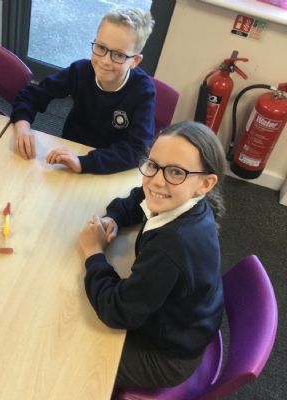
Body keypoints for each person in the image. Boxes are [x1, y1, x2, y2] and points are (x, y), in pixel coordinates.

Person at [79, 120, 226, 390]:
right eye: (153, 165)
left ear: (205, 183)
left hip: (166, 358)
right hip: (188, 324)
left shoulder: (172, 245)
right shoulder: (187, 201)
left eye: (176, 172)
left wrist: (93, 252)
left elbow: (118, 311)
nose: (157, 180)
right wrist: (115, 217)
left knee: (74, 348)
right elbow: (142, 196)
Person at [11, 7, 156, 174]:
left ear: (135, 61)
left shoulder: (143, 92)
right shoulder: (80, 71)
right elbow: (32, 95)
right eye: (101, 47)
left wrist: (84, 163)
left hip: (110, 166)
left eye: (119, 55)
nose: (105, 61)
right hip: (69, 152)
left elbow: (137, 150)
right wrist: (22, 126)